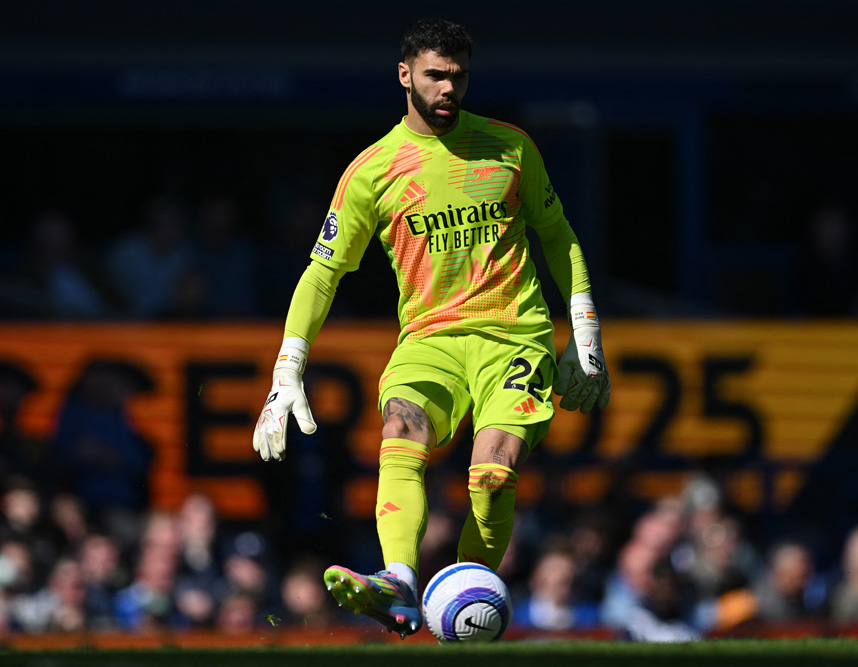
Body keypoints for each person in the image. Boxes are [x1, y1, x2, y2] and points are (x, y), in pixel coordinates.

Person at [251, 18, 610, 639]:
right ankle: (398, 581)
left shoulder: (510, 147)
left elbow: (558, 236)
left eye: (459, 76)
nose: (449, 88)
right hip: (429, 341)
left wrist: (585, 332)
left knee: (492, 475)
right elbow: (322, 273)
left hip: (514, 337)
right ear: (405, 75)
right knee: (401, 428)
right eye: (436, 75)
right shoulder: (373, 170)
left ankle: (465, 598)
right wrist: (288, 368)